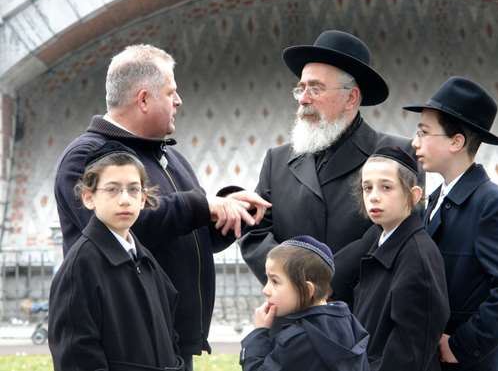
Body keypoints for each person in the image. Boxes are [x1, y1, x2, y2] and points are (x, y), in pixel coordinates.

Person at [54, 44, 270, 370]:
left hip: (170, 342)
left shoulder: (167, 156)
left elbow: (182, 234)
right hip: (127, 347)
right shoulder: (87, 155)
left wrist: (227, 213)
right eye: (171, 92)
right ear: (143, 99)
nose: (179, 101)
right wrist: (200, 205)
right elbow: (118, 230)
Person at [240, 30, 421, 301]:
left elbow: (398, 229)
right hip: (293, 313)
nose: (303, 99)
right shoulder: (276, 160)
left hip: (363, 312)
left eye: (316, 88)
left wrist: (324, 283)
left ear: (351, 98)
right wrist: (291, 283)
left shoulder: (398, 154)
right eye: (301, 88)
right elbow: (255, 231)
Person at [404, 77, 498, 370]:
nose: (415, 142)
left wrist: (462, 344)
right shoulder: (437, 197)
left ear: (456, 141)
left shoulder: (489, 203)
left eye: (424, 132)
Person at [49, 146, 183, 371]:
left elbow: (171, 336)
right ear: (89, 197)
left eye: (133, 190)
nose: (125, 200)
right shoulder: (80, 267)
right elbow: (76, 358)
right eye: (112, 189)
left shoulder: (146, 260)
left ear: (143, 199)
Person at [349, 145, 449, 371]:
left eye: (386, 187)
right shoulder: (382, 240)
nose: (374, 197)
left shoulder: (417, 256)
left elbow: (410, 350)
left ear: (414, 195)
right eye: (367, 188)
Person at [240, 235, 369, 371]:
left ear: (308, 290)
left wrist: (259, 333)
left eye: (275, 281)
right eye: (267, 280)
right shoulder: (347, 321)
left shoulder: (298, 339)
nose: (265, 290)